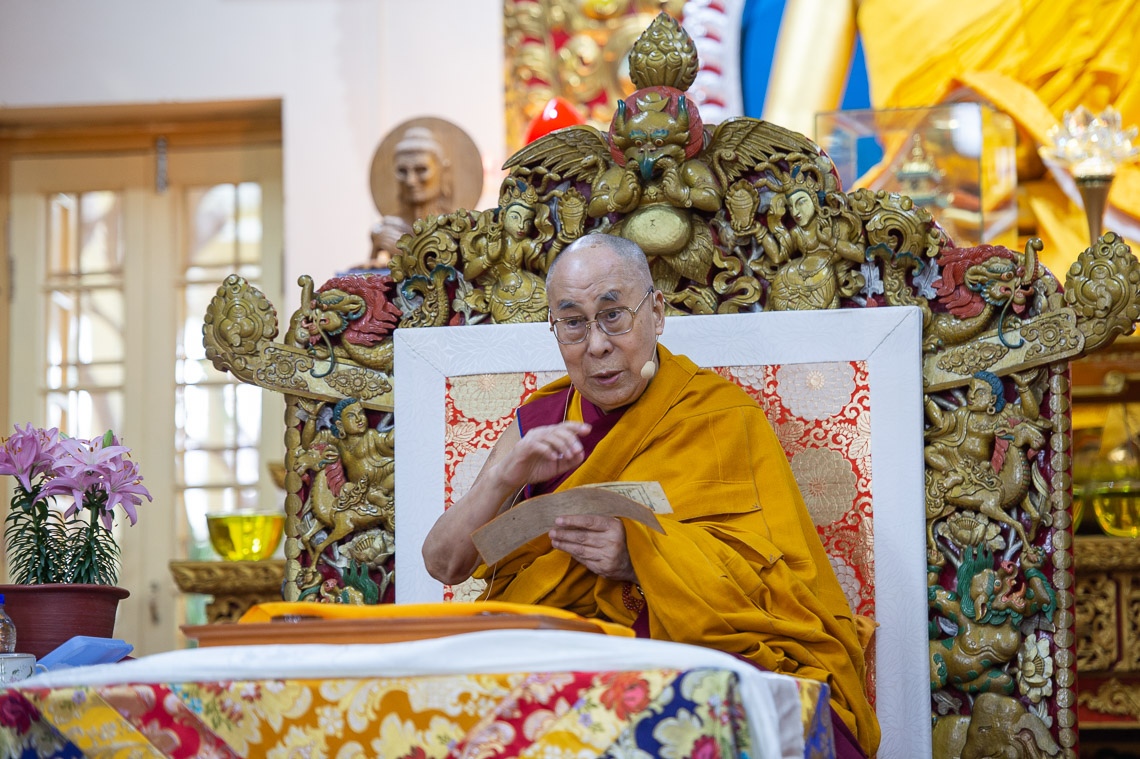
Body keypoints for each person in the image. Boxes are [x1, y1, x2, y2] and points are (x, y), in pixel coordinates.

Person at [421, 233, 879, 756]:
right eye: (573, 323)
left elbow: (779, 583)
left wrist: (640, 555)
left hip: (693, 650)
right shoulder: (542, 423)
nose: (596, 344)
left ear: (656, 312)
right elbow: (445, 563)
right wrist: (504, 476)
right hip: (561, 659)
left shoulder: (721, 418)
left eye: (614, 315)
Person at [392, 125, 452, 222]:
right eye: (402, 171)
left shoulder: (456, 228)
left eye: (420, 170)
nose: (410, 181)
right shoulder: (387, 231)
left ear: (442, 172)